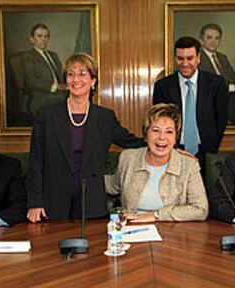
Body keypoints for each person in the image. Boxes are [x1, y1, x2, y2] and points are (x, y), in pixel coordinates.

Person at [26, 52, 145, 222]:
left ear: (93, 81)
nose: (76, 80)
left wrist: (172, 149)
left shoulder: (104, 117)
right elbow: (35, 161)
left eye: (83, 74)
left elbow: (132, 142)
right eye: (71, 74)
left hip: (91, 201)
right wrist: (35, 202)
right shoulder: (47, 115)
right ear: (66, 81)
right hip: (53, 201)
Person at [105, 103, 208, 222]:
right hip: (131, 230)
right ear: (145, 135)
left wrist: (156, 215)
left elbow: (201, 210)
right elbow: (113, 185)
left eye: (169, 132)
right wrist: (81, 176)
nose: (162, 137)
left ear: (176, 138)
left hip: (173, 233)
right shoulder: (128, 158)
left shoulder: (189, 165)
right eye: (155, 130)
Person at [153, 36, 229, 175]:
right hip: (173, 153)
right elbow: (159, 122)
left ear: (198, 58)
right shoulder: (163, 86)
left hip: (206, 154)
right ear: (175, 59)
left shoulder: (216, 84)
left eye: (190, 58)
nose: (185, 63)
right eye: (180, 58)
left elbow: (221, 119)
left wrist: (211, 147)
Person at [199, 23, 235, 125]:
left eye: (217, 38)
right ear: (201, 40)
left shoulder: (222, 58)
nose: (213, 42)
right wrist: (234, 87)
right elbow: (206, 84)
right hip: (210, 96)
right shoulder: (197, 58)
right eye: (209, 38)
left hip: (227, 94)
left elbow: (234, 76)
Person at [21, 23, 66, 118]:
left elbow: (61, 77)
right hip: (40, 97)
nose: (43, 39)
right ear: (32, 39)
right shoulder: (28, 57)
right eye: (39, 36)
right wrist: (55, 87)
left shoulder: (54, 55)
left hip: (59, 95)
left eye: (46, 36)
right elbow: (31, 81)